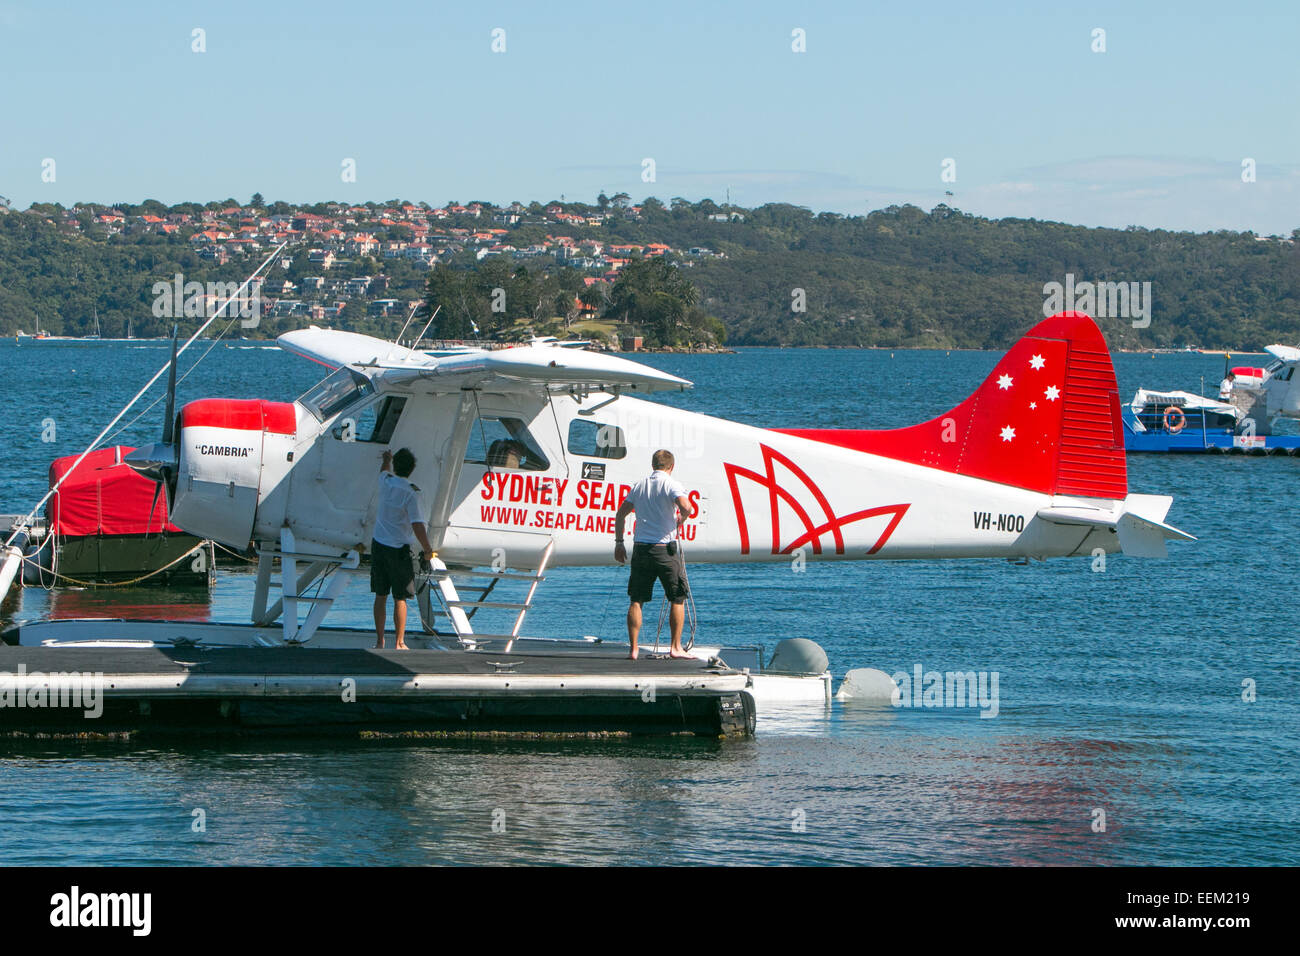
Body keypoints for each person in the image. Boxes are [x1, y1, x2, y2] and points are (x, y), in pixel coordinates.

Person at [613, 449, 693, 660]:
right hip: (665, 549)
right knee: (677, 598)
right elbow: (687, 507)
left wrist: (619, 543)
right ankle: (675, 647)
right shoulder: (671, 484)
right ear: (671, 467)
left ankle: (634, 648)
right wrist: (680, 520)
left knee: (636, 599)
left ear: (652, 465)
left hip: (641, 549)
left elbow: (620, 514)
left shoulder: (639, 486)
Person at [371, 447, 433, 650]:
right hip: (398, 550)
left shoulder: (386, 481)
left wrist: (387, 459)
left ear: (395, 466)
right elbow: (417, 524)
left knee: (381, 595)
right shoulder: (411, 492)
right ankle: (399, 642)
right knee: (400, 597)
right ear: (412, 469)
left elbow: (383, 469)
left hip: (378, 545)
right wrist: (427, 548)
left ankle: (380, 641)